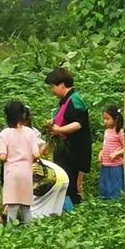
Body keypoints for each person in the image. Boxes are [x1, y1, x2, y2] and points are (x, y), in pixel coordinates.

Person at [45, 68, 92, 206]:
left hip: (74, 152)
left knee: (71, 185)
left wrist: (59, 129)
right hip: (65, 152)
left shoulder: (75, 101)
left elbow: (78, 124)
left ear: (62, 84)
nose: (52, 89)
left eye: (53, 86)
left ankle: (74, 212)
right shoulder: (65, 102)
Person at [0, 101, 40, 224]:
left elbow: (2, 156)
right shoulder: (30, 132)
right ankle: (30, 232)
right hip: (26, 172)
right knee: (26, 207)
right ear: (23, 115)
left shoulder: (4, 133)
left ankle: (10, 233)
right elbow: (36, 154)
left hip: (11, 173)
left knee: (12, 206)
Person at [98, 104, 125, 200]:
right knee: (105, 184)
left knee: (115, 186)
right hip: (106, 163)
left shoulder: (120, 132)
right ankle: (105, 200)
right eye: (104, 119)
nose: (105, 121)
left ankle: (116, 201)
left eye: (107, 119)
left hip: (116, 165)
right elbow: (105, 145)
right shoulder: (107, 131)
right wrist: (101, 152)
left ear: (116, 119)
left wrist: (116, 153)